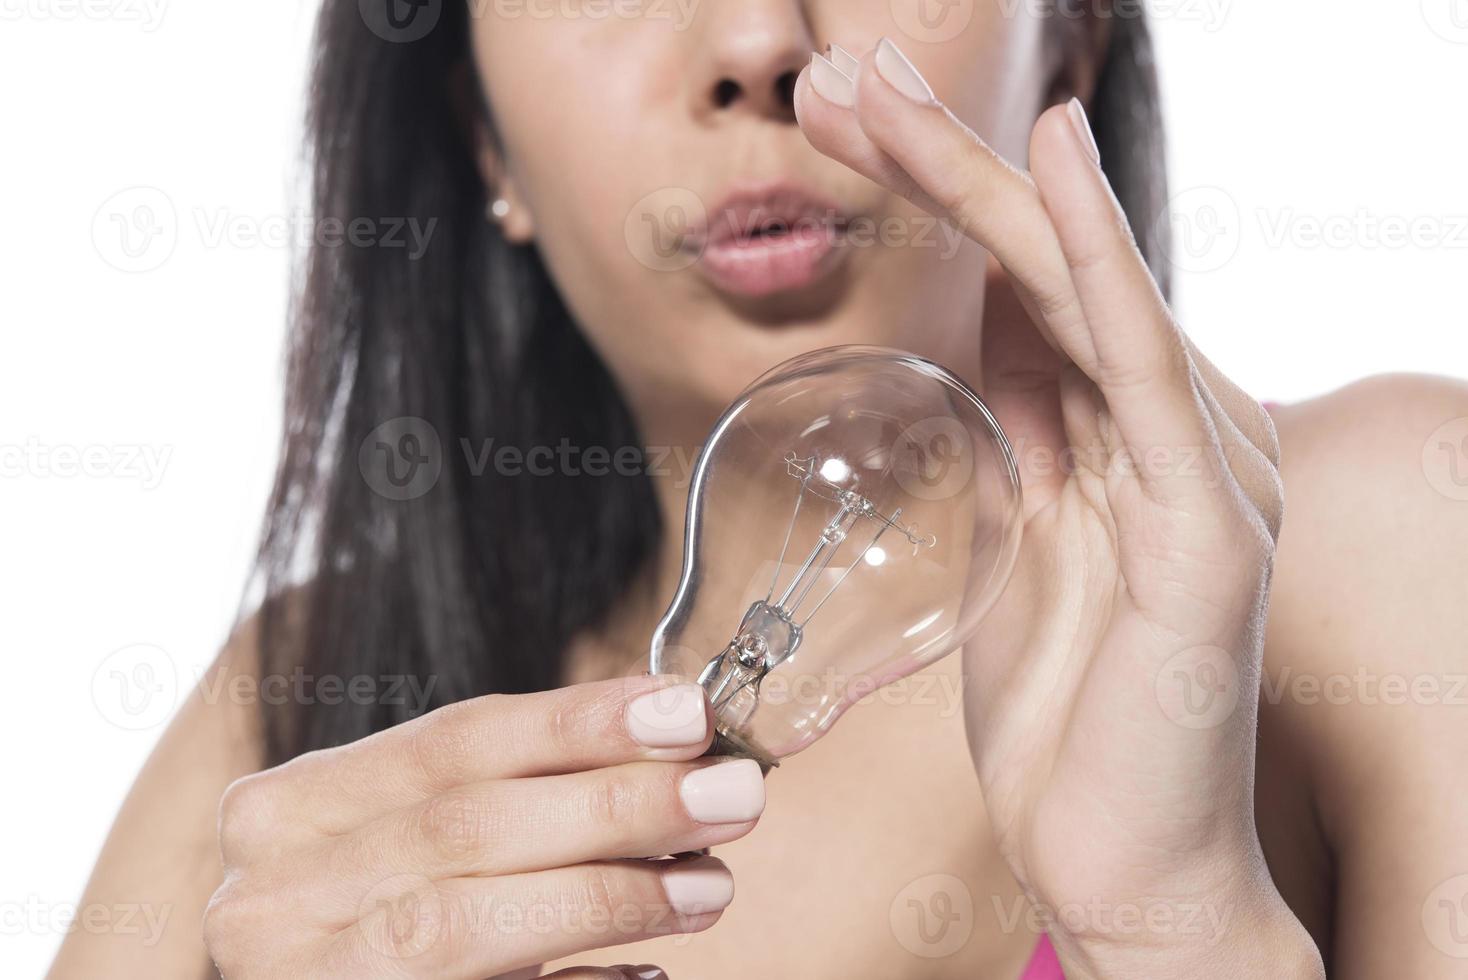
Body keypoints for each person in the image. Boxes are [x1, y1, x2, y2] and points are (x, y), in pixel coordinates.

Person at [51, 3, 1468, 978]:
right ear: (482, 138)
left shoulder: (1388, 533)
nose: (751, 43)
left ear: (1070, 35)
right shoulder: (298, 712)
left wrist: (1177, 930)